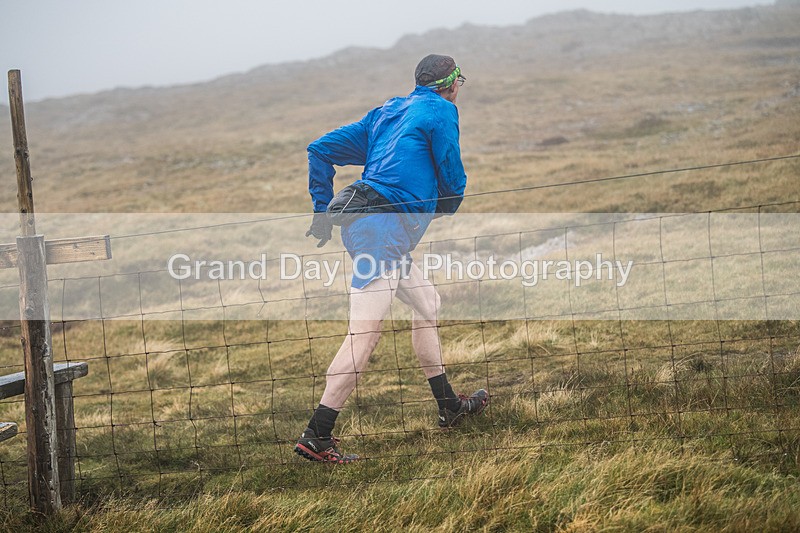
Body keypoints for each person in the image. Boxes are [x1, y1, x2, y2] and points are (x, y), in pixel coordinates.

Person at [295, 54, 489, 464]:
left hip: (375, 229)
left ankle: (448, 405)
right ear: (452, 84)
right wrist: (444, 206)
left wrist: (320, 210)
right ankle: (317, 436)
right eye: (461, 83)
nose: (459, 90)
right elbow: (452, 175)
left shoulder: (387, 111)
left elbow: (319, 150)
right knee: (363, 336)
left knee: (427, 303)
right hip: (381, 234)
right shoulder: (441, 110)